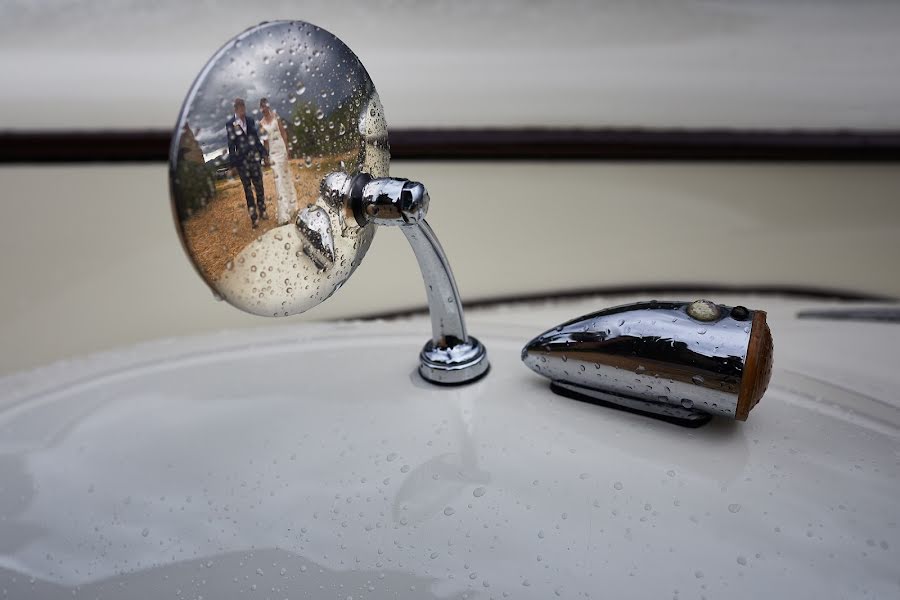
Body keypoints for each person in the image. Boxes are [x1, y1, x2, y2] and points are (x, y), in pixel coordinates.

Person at [226, 98, 268, 227]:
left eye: (244, 108)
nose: (243, 112)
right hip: (241, 163)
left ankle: (262, 211)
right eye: (240, 109)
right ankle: (254, 218)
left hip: (254, 159)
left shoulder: (250, 120)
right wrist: (233, 165)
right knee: (248, 190)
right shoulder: (230, 124)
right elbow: (231, 145)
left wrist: (264, 154)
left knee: (259, 186)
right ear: (236, 109)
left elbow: (255, 139)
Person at [258, 98, 298, 225]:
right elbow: (264, 141)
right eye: (262, 107)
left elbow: (283, 133)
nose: (264, 109)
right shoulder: (261, 123)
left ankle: (293, 207)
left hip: (281, 149)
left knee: (286, 178)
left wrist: (287, 148)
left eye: (265, 106)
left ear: (268, 106)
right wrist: (266, 156)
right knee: (278, 181)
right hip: (273, 153)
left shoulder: (276, 116)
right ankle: (284, 214)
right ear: (261, 109)